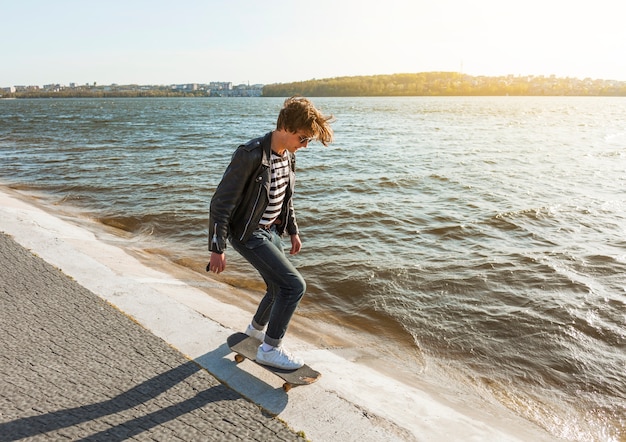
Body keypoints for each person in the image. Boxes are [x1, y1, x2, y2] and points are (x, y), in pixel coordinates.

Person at [207, 96, 334, 370]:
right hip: (248, 233)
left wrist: (292, 231)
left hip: (270, 232)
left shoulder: (288, 156)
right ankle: (271, 348)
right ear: (286, 127)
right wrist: (217, 248)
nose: (305, 145)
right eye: (303, 138)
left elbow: (285, 199)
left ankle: (255, 332)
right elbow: (220, 203)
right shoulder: (250, 154)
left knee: (278, 286)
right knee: (294, 286)